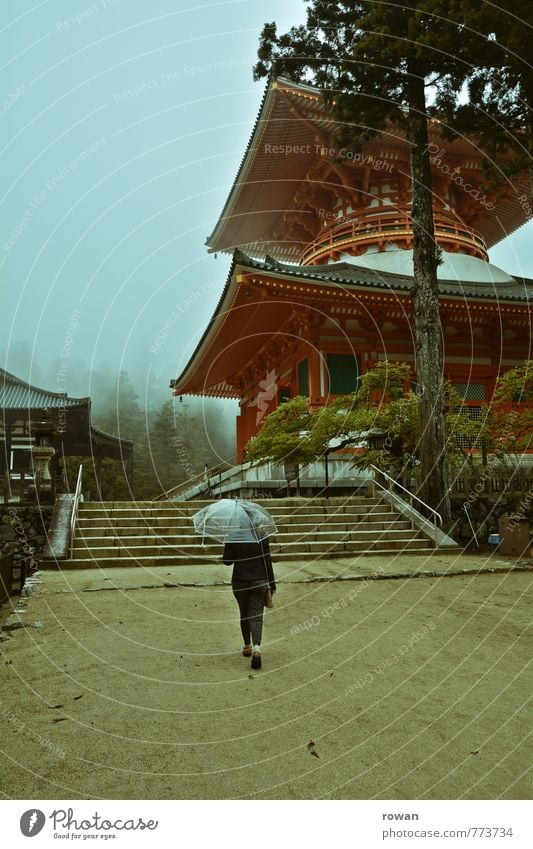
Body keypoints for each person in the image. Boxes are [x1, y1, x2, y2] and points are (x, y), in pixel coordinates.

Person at [222, 532, 276, 670]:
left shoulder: (233, 535)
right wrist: (272, 583)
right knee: (256, 616)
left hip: (239, 580)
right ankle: (257, 648)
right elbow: (267, 560)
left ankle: (247, 646)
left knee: (244, 613)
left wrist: (228, 544)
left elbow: (227, 561)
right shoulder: (261, 535)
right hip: (260, 579)